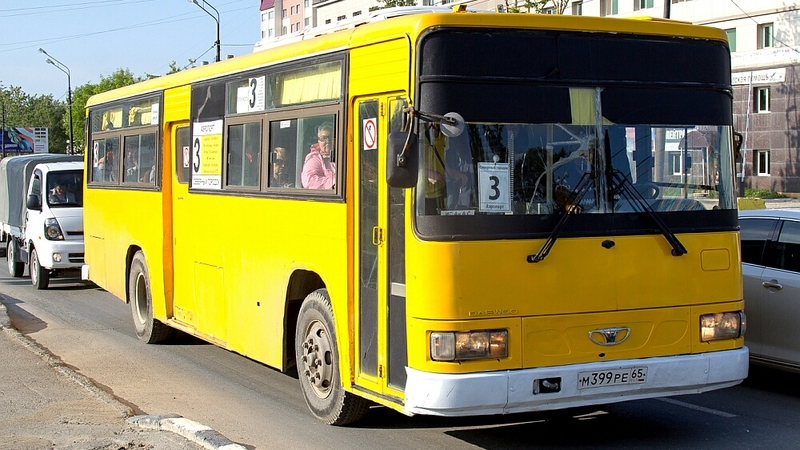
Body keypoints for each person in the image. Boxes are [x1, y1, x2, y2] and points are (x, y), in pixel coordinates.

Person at [301, 123, 336, 189]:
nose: (328, 141)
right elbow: (309, 181)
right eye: (324, 138)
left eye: (331, 137)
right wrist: (334, 182)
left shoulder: (345, 154)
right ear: (318, 141)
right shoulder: (314, 158)